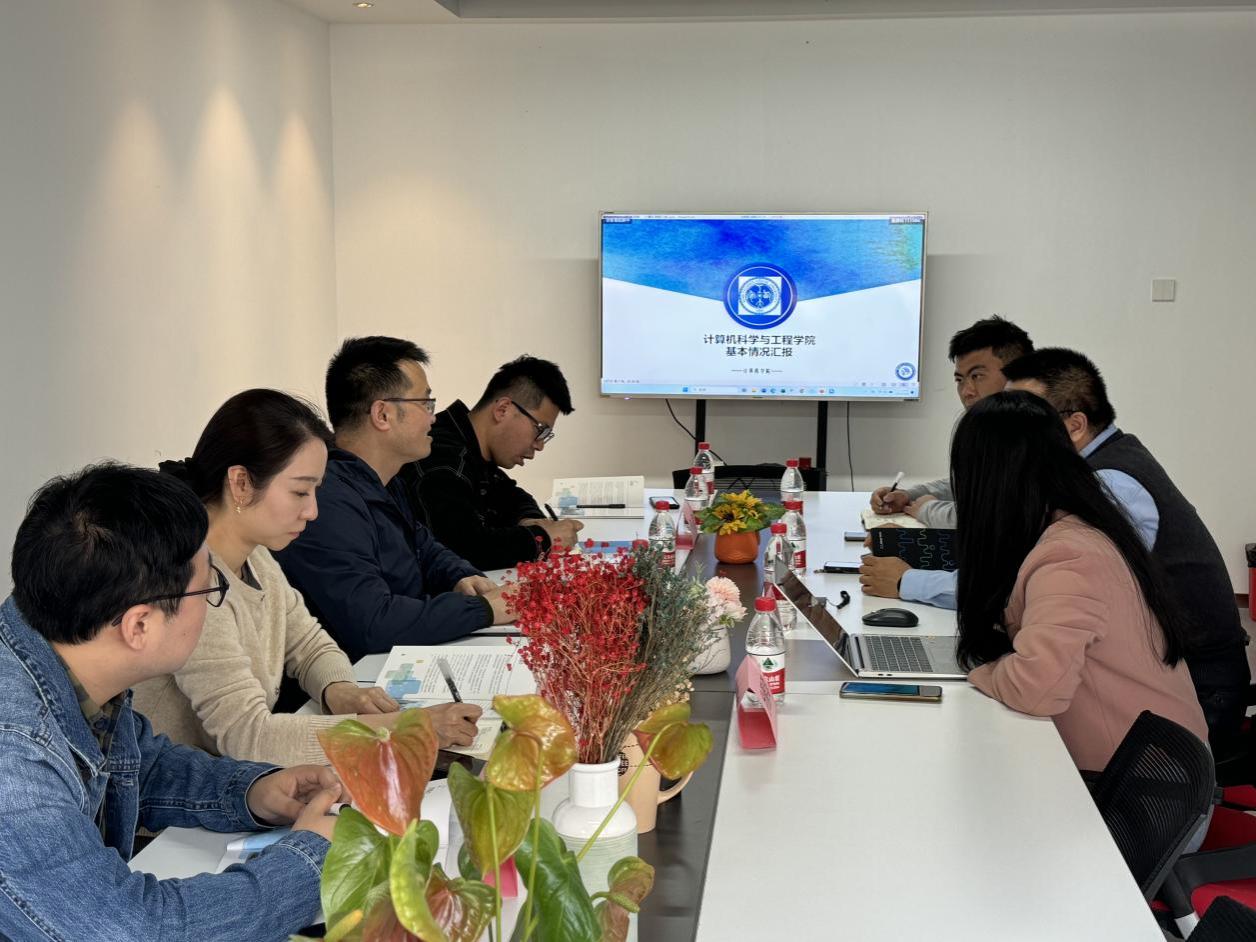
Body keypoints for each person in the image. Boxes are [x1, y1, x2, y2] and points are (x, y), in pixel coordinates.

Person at [0, 463, 341, 940]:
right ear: (139, 625)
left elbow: (139, 765)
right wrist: (309, 860)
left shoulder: (58, 649)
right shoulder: (15, 758)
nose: (212, 602)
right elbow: (137, 930)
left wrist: (250, 792)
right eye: (209, 588)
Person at [133, 389, 482, 768]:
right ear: (241, 483)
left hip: (229, 779)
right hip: (175, 794)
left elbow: (308, 642)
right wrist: (404, 728)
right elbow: (249, 736)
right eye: (300, 491)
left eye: (315, 491)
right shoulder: (192, 582)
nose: (312, 511)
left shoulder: (255, 554)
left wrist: (339, 689)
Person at [1002, 348, 1250, 756]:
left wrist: (912, 582)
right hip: (1166, 668)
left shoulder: (1111, 483)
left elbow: (1058, 586)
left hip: (1198, 689)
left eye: (1025, 422)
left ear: (1075, 425)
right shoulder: (1101, 464)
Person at [951, 392, 1208, 774]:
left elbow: (1034, 689)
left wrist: (979, 673)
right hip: (1136, 766)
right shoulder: (1073, 528)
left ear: (989, 481)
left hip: (1142, 787)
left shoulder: (1070, 554)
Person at [275, 337, 513, 660]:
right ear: (383, 414)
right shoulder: (327, 501)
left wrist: (460, 575)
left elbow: (423, 546)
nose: (433, 417)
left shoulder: (385, 479)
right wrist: (482, 609)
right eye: (425, 403)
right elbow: (373, 623)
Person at [862, 316, 1034, 605]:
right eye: (960, 379)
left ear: (1017, 376)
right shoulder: (989, 430)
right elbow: (967, 486)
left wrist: (926, 511)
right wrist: (909, 496)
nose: (966, 391)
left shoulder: (1035, 438)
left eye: (977, 376)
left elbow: (989, 523)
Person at [398, 355, 582, 570]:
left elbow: (513, 497)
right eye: (540, 430)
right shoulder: (443, 460)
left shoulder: (472, 448)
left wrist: (530, 520)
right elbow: (465, 548)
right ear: (502, 409)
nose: (539, 445)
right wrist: (543, 539)